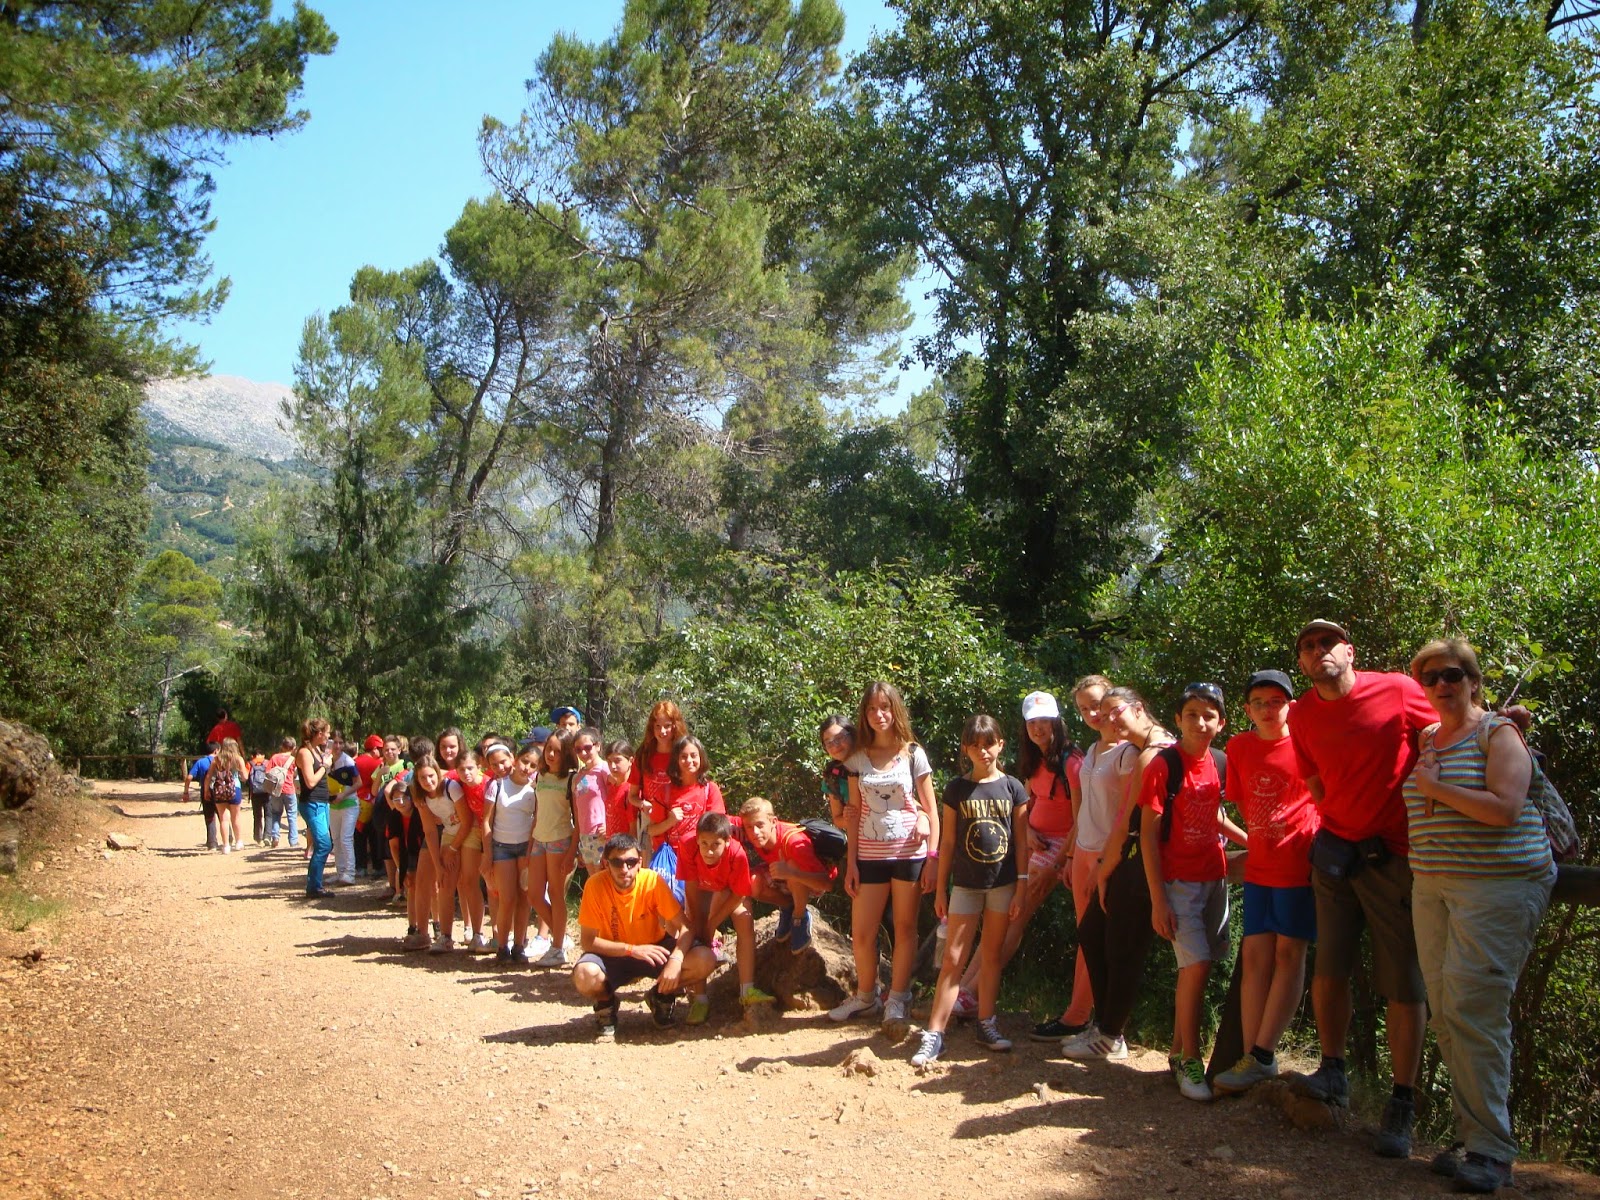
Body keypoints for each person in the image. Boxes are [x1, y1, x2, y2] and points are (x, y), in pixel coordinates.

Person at [1404, 639, 1554, 1195]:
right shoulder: (1428, 738)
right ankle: (1475, 1139)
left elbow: (1506, 808)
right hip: (1434, 888)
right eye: (1430, 679)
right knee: (1445, 1011)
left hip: (1498, 889)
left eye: (1451, 675)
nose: (1441, 685)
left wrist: (1436, 787)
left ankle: (1492, 1151)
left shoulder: (1499, 733)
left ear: (1472, 680)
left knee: (1476, 1009)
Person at [1288, 619, 1437, 1158]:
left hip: (1395, 854)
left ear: (1349, 650)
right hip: (1335, 853)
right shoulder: (1302, 713)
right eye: (1308, 647)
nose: (1318, 651)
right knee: (1329, 968)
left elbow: (1446, 736)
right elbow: (1313, 780)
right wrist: (1338, 818)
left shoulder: (1397, 689)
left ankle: (1402, 1100)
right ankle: (1333, 1071)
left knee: (1403, 978)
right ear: (1302, 664)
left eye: (1327, 642)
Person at [1137, 682, 1248, 1101]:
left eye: (1208, 715)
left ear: (1221, 722)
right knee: (1196, 966)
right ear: (1179, 719)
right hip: (1177, 883)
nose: (1200, 722)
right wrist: (1158, 899)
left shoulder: (1219, 762)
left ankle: (1176, 1052)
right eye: (1191, 714)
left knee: (1202, 966)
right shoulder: (1164, 765)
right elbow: (1148, 836)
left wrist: (1252, 842)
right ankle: (1190, 1060)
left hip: (1214, 878)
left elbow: (1213, 813)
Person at [1214, 670, 1320, 1096]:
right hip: (1259, 867)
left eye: (1277, 701)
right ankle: (1253, 1056)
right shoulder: (1239, 747)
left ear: (1291, 705)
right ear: (1247, 709)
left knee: (1288, 954)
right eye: (1259, 702)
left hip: (1300, 864)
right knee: (1255, 954)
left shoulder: (1308, 743)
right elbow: (1243, 803)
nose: (1268, 709)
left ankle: (1261, 1053)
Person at [1062, 686, 1175, 1062]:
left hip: (1143, 861)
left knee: (1119, 946)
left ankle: (1111, 1035)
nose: (1108, 720)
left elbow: (1128, 820)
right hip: (1132, 858)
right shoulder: (1148, 747)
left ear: (1138, 708)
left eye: (1115, 712)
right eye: (1101, 713)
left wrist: (1104, 871)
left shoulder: (1150, 754)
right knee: (1096, 933)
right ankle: (1107, 1029)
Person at [912, 714, 1029, 1067]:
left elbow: (1022, 843)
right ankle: (935, 1033)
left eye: (989, 744)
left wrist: (1022, 887)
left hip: (1003, 884)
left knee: (991, 956)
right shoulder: (956, 790)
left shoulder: (1013, 788)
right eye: (976, 745)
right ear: (966, 749)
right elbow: (946, 843)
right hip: (964, 884)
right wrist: (941, 890)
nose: (983, 751)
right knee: (952, 959)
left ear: (1000, 745)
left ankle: (986, 1023)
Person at [956, 690, 1078, 1019]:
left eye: (1044, 721)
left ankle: (971, 993)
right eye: (1032, 722)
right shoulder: (1036, 761)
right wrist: (1029, 834)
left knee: (1015, 915)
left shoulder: (1072, 762)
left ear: (1056, 722)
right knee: (1004, 916)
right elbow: (1033, 803)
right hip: (1032, 842)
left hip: (1059, 848)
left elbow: (1081, 818)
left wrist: (1059, 860)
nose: (1038, 728)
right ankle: (965, 987)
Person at [831, 681, 938, 1039]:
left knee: (905, 928)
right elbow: (853, 814)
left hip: (909, 853)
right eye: (873, 708)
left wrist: (934, 858)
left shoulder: (912, 754)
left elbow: (931, 810)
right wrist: (851, 864)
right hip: (870, 857)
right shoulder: (856, 758)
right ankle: (866, 995)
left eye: (885, 707)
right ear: (864, 714)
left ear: (896, 710)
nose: (880, 715)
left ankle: (898, 998)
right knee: (862, 933)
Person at [1033, 675, 1123, 1041]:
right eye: (1084, 708)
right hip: (1084, 851)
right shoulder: (1096, 747)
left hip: (1109, 855)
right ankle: (1078, 1016)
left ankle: (1110, 1027)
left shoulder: (1132, 749)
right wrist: (1071, 855)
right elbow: (1084, 810)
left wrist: (1106, 858)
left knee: (1111, 939)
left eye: (1097, 704)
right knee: (1089, 937)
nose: (1091, 713)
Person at [571, 833, 718, 1039]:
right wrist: (631, 950)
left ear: (640, 862)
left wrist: (675, 960)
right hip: (612, 955)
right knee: (584, 975)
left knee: (705, 959)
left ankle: (660, 995)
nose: (625, 869)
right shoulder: (594, 885)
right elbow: (587, 941)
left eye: (631, 862)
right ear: (606, 863)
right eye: (617, 862)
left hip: (654, 949)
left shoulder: (652, 881)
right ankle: (606, 1004)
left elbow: (686, 927)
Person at [676, 812, 775, 1022]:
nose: (709, 851)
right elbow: (692, 888)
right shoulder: (688, 845)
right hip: (703, 887)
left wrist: (713, 923)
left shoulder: (738, 854)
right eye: (704, 843)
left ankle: (747, 990)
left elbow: (739, 893)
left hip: (729, 890)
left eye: (715, 844)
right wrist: (702, 923)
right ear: (697, 839)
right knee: (697, 928)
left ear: (728, 841)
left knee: (745, 920)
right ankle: (699, 998)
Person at [737, 797, 836, 952]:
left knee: (791, 864)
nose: (755, 832)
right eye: (749, 827)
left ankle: (799, 917)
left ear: (773, 822)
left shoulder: (793, 842)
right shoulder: (753, 833)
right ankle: (787, 906)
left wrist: (792, 873)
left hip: (812, 881)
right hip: (784, 875)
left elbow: (827, 884)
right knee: (753, 882)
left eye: (760, 825)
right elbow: (721, 820)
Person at [528, 732, 577, 967]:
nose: (551, 754)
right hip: (539, 840)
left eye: (557, 751)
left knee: (556, 895)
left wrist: (572, 852)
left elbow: (577, 819)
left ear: (566, 753)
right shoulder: (541, 775)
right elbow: (537, 813)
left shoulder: (571, 779)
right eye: (549, 748)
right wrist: (530, 843)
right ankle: (561, 935)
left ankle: (556, 948)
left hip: (560, 841)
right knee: (534, 894)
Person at [486, 739, 538, 963]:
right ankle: (502, 946)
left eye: (534, 765)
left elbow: (536, 821)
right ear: (516, 760)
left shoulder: (535, 790)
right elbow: (486, 821)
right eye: (525, 761)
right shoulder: (497, 785)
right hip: (501, 847)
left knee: (524, 898)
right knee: (507, 898)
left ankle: (519, 946)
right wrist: (486, 855)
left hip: (524, 848)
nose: (527, 768)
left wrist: (530, 850)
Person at [411, 753, 458, 952]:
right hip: (438, 830)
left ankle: (471, 932)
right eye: (423, 778)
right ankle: (422, 933)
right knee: (424, 878)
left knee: (460, 882)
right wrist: (436, 864)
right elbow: (429, 830)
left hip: (458, 830)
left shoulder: (450, 785)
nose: (428, 781)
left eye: (431, 776)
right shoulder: (419, 795)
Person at [627, 702, 687, 846]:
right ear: (651, 728)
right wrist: (642, 804)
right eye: (658, 726)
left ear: (675, 726)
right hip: (650, 820)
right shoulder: (644, 755)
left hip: (677, 817)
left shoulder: (683, 754)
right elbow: (632, 796)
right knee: (650, 867)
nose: (663, 731)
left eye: (667, 726)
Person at [295, 719, 335, 897]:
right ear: (318, 734)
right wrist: (325, 766)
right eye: (327, 732)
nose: (328, 735)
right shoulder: (304, 753)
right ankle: (313, 887)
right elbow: (310, 782)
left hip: (322, 802)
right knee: (324, 844)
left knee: (325, 844)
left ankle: (316, 884)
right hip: (312, 803)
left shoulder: (316, 751)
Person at [570, 726, 610, 875]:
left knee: (606, 880)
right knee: (594, 882)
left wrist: (609, 825)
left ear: (598, 746)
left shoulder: (605, 769)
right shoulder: (578, 776)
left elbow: (616, 799)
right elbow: (578, 809)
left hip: (601, 834)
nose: (583, 753)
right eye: (578, 750)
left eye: (587, 747)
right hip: (585, 837)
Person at [326, 732, 360, 885]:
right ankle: (340, 872)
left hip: (349, 804)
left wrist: (344, 794)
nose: (337, 746)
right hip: (333, 805)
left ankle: (350, 873)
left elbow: (358, 783)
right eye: (335, 742)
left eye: (341, 743)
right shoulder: (326, 760)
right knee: (336, 839)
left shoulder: (347, 761)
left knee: (346, 838)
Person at [205, 738, 248, 854]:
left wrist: (206, 791)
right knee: (236, 817)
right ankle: (238, 842)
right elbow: (245, 777)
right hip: (235, 789)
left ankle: (226, 846)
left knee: (223, 819)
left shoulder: (216, 759)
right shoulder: (238, 759)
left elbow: (208, 776)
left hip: (219, 790)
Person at [354, 734, 384, 879]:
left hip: (357, 802)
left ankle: (361, 867)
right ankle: (378, 867)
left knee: (359, 836)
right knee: (374, 835)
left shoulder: (355, 762)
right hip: (373, 802)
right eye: (380, 749)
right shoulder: (377, 764)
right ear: (374, 749)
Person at [817, 714, 855, 825]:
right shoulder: (832, 777)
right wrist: (847, 817)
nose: (835, 745)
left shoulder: (873, 762)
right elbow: (838, 819)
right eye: (828, 742)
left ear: (852, 735)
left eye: (839, 738)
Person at [185, 741, 223, 851]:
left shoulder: (200, 762)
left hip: (206, 791)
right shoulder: (221, 761)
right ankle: (228, 839)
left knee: (210, 817)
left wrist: (186, 792)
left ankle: (212, 843)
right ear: (216, 750)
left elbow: (189, 777)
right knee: (223, 816)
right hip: (221, 791)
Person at [264, 737, 298, 849]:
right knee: (292, 815)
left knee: (276, 814)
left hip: (276, 790)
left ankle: (275, 837)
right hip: (289, 789)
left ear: (282, 746)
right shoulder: (293, 759)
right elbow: (295, 774)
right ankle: (293, 841)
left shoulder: (274, 757)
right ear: (293, 748)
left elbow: (268, 773)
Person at [603, 739, 636, 840]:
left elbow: (633, 830)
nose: (612, 766)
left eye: (617, 761)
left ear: (631, 761)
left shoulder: (631, 790)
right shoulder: (612, 787)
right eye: (609, 761)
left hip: (623, 850)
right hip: (611, 848)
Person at [246, 751, 271, 846]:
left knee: (257, 816)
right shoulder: (268, 763)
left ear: (253, 755)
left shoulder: (250, 763)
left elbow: (245, 777)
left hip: (255, 793)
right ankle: (267, 836)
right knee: (268, 815)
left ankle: (258, 837)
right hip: (267, 792)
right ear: (263, 755)